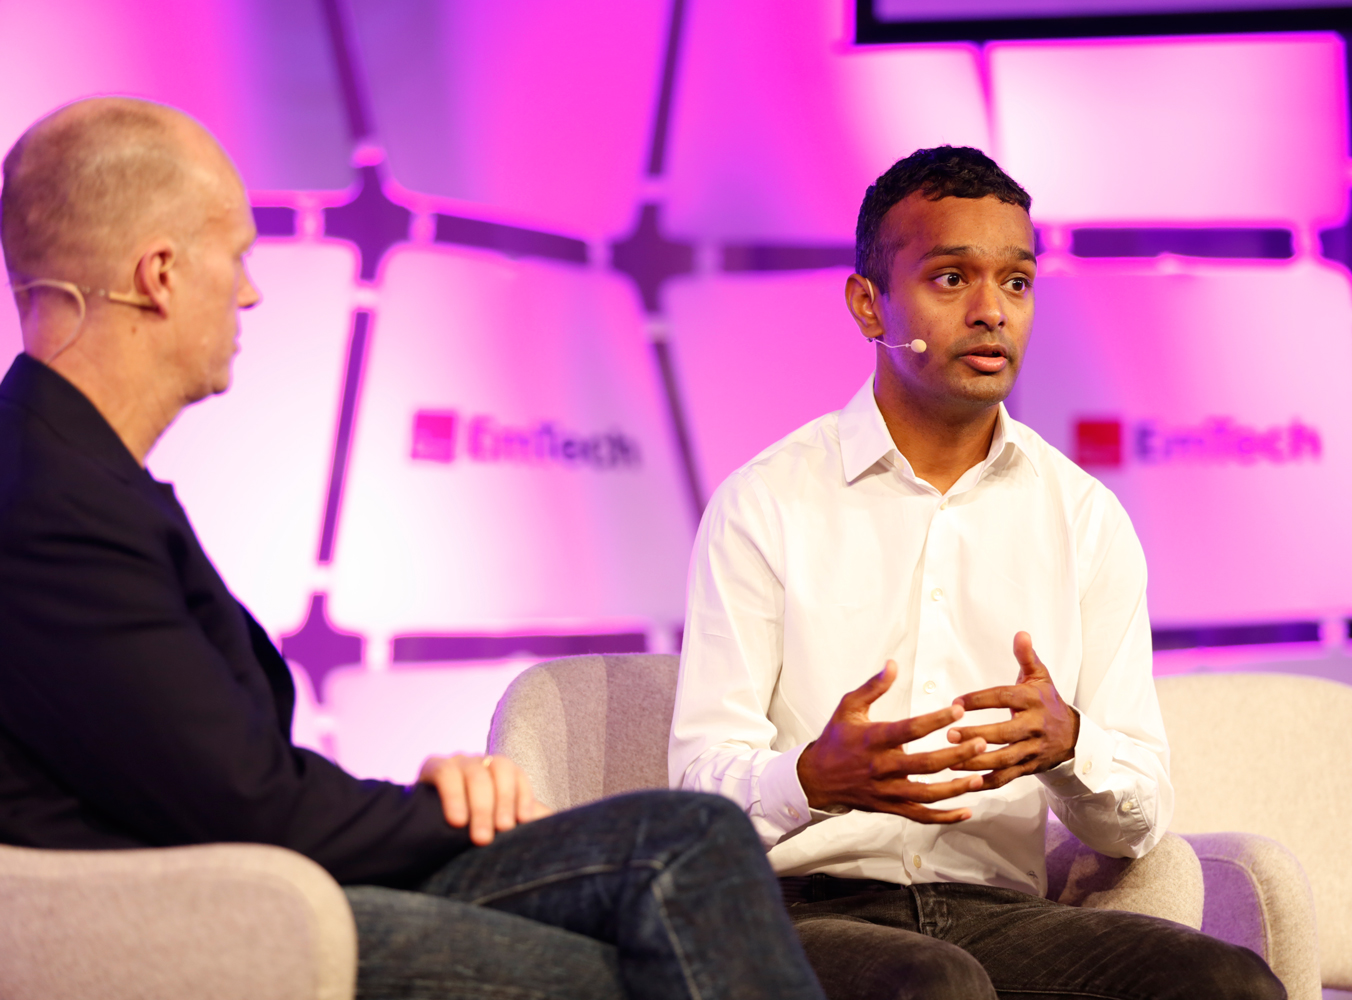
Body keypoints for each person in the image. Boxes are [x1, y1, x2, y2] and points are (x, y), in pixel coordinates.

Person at [0, 97, 825, 1000]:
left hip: (248, 873)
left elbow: (210, 763)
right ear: (159, 274)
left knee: (685, 841)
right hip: (188, 916)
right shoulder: (51, 500)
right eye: (234, 255)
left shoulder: (72, 475)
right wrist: (440, 814)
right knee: (647, 923)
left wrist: (429, 797)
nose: (250, 290)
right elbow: (241, 803)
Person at [668, 146, 1285, 1000]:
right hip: (798, 913)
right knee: (935, 983)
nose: (993, 311)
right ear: (869, 305)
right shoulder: (765, 503)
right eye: (952, 279)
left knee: (1228, 983)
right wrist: (810, 780)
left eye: (1018, 283)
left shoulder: (1083, 518)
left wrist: (1071, 745)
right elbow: (696, 791)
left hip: (996, 911)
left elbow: (1140, 815)